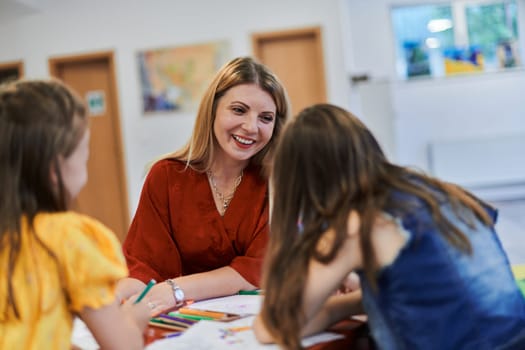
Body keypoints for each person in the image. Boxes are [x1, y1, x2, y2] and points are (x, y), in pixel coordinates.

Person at [254, 103, 525, 349]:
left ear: (304, 180)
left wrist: (335, 305)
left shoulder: (358, 223)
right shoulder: (435, 192)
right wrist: (356, 301)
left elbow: (272, 326)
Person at [117, 56, 290, 312]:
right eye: (239, 110)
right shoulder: (166, 177)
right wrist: (107, 299)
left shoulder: (276, 184)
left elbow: (255, 270)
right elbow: (143, 267)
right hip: (180, 324)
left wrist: (175, 290)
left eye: (266, 118)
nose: (251, 127)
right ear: (213, 110)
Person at [0, 79, 152, 349]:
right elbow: (123, 345)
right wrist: (134, 319)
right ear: (55, 167)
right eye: (84, 151)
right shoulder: (68, 238)